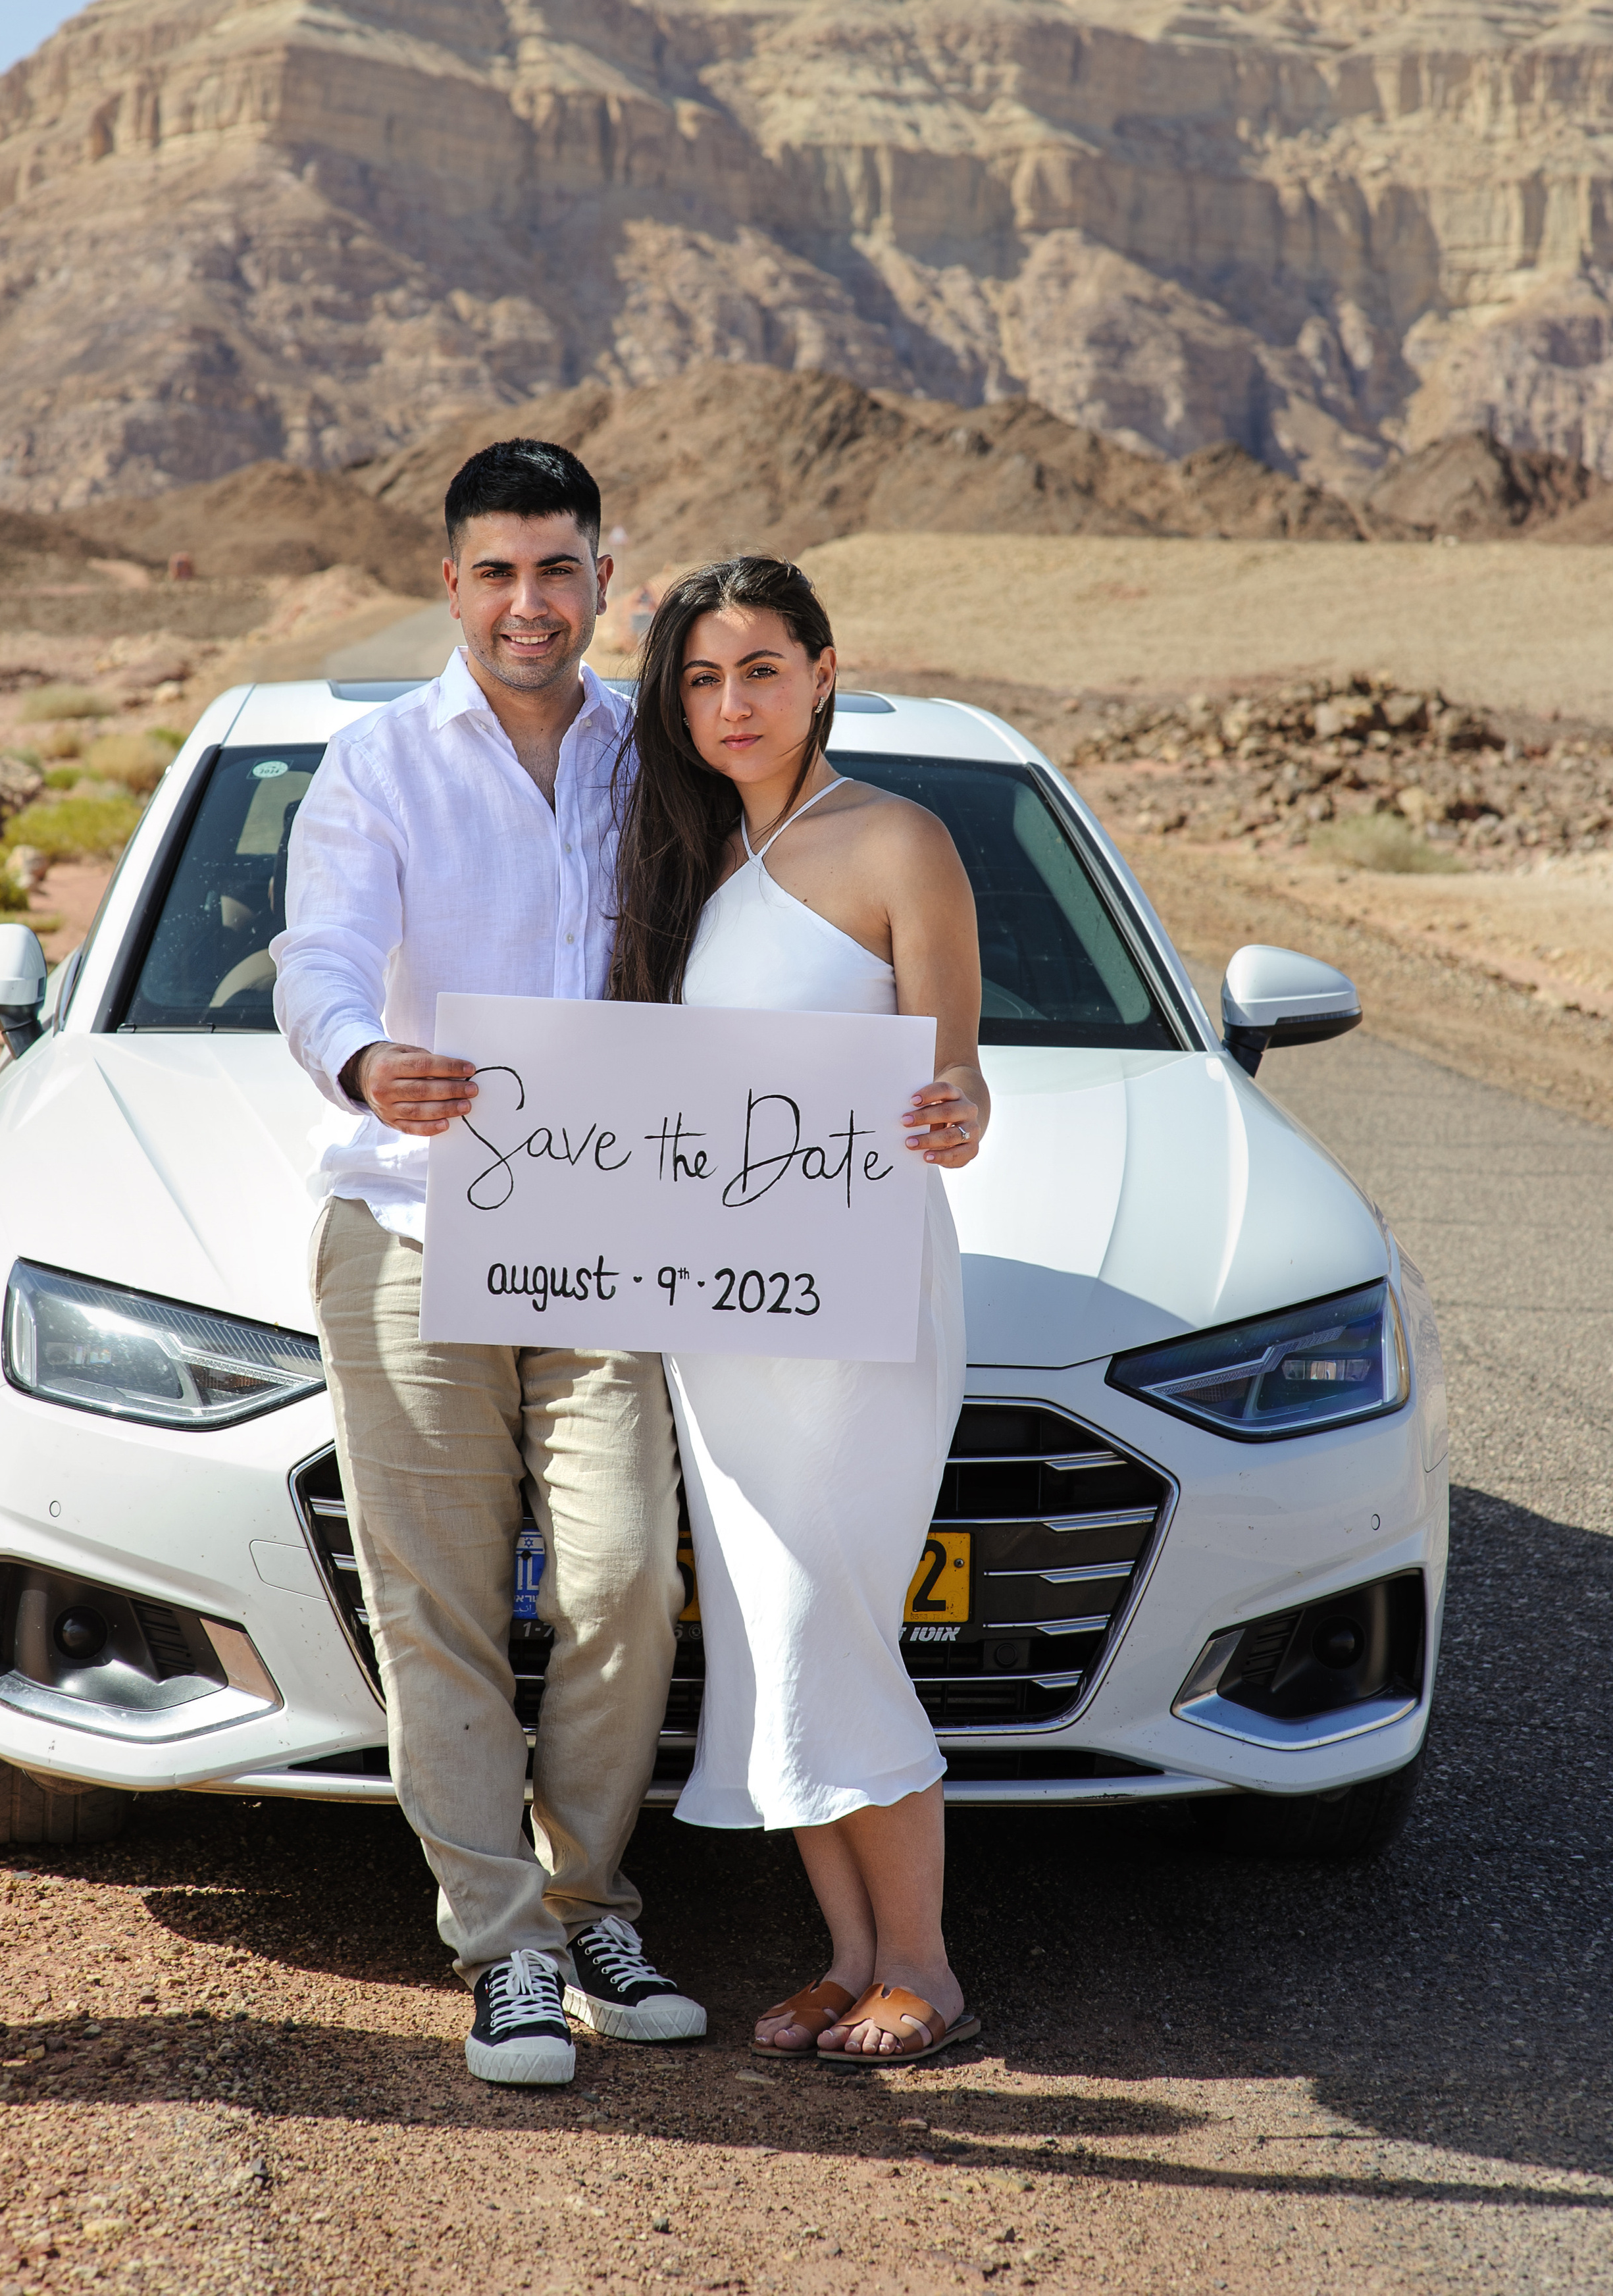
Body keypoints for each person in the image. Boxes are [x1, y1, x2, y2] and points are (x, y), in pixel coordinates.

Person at [271, 438, 704, 2089]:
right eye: (498, 571)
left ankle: (590, 1897)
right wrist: (367, 1056)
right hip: (404, 1220)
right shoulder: (378, 765)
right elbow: (313, 956)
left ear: (604, 577)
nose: (531, 601)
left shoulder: (651, 760)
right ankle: (506, 1948)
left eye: (560, 568)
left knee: (618, 1580)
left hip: (607, 1233)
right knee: (439, 1608)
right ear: (450, 586)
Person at [608, 554, 990, 2066]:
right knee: (769, 1623)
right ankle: (846, 1956)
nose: (730, 702)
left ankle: (930, 1966)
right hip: (723, 1316)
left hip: (864, 1295)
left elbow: (951, 1071)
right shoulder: (685, 865)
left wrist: (957, 1104)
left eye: (759, 668)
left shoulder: (897, 838)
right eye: (700, 678)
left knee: (837, 1608)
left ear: (825, 670)